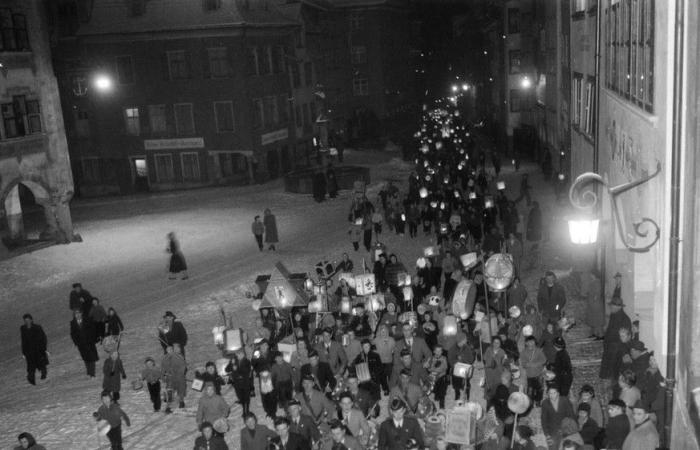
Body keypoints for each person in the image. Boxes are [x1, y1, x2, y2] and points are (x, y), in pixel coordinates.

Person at [600, 297, 632, 385]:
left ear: (619, 307)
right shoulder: (614, 315)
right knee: (609, 367)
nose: (611, 308)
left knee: (614, 369)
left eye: (613, 306)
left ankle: (613, 384)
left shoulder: (625, 319)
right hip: (610, 346)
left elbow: (624, 339)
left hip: (616, 349)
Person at [541, 385, 575, 450]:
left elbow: (571, 415)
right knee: (552, 448)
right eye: (550, 393)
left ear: (558, 393)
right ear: (548, 394)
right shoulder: (545, 403)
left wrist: (569, 429)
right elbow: (544, 420)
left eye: (554, 393)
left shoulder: (565, 400)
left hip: (565, 429)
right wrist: (547, 434)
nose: (552, 395)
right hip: (552, 431)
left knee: (566, 447)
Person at [20, 313, 47, 385]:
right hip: (29, 351)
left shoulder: (37, 327)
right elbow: (23, 341)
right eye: (25, 320)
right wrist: (24, 352)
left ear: (31, 320)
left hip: (38, 349)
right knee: (31, 366)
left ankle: (43, 374)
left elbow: (43, 338)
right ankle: (31, 379)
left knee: (41, 363)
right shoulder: (23, 329)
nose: (27, 322)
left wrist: (43, 348)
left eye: (28, 320)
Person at [70, 309, 98, 377]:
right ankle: (89, 371)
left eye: (78, 313)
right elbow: (73, 334)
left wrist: (93, 338)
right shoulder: (73, 323)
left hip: (89, 342)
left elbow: (92, 329)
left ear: (81, 313)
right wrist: (76, 342)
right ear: (74, 316)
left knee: (92, 357)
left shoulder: (87, 320)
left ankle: (92, 373)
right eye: (76, 314)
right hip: (81, 345)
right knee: (85, 358)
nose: (77, 315)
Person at [448, 331, 475, 401]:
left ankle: (467, 395)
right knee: (456, 382)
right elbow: (450, 360)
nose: (466, 340)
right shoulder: (452, 349)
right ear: (460, 340)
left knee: (467, 384)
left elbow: (471, 359)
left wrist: (464, 360)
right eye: (464, 339)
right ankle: (457, 393)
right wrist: (457, 363)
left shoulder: (467, 348)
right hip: (456, 369)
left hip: (465, 368)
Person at [226, 349, 253, 416]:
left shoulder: (247, 362)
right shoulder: (233, 361)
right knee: (240, 397)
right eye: (238, 354)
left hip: (245, 383)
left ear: (244, 354)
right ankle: (243, 407)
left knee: (246, 397)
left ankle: (246, 411)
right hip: (237, 383)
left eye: (241, 353)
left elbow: (246, 371)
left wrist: (236, 369)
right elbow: (226, 370)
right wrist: (231, 363)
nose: (239, 355)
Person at [520, 335, 546, 405]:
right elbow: (523, 364)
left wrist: (536, 364)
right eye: (529, 342)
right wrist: (527, 364)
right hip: (530, 376)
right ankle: (530, 404)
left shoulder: (538, 351)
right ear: (526, 343)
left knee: (540, 389)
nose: (531, 344)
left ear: (535, 342)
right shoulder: (523, 352)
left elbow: (544, 360)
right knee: (530, 391)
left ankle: (538, 402)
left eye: (532, 342)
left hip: (539, 375)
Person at [162, 343, 187, 411]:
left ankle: (181, 401)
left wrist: (180, 373)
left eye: (170, 349)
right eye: (168, 350)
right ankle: (168, 406)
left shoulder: (179, 357)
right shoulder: (165, 358)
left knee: (181, 389)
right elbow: (163, 368)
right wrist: (163, 376)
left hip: (179, 377)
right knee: (169, 391)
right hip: (170, 378)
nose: (169, 351)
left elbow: (183, 366)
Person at [581, 271, 605, 340]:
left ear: (594, 275)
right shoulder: (593, 282)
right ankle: (594, 334)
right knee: (593, 320)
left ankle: (601, 335)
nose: (590, 275)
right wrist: (587, 294)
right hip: (592, 304)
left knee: (597, 320)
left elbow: (597, 293)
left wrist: (594, 300)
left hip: (595, 305)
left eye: (591, 274)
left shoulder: (597, 282)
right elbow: (591, 291)